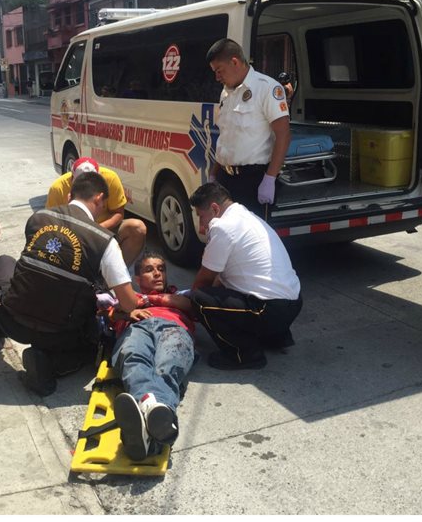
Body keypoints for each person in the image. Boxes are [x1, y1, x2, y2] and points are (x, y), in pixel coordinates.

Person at [0, 171, 139, 395]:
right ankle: (50, 364)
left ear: (70, 195)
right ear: (99, 198)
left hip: (14, 322)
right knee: (94, 336)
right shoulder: (104, 241)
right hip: (59, 333)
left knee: (4, 261)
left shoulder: (38, 218)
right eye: (102, 204)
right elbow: (129, 304)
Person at [188, 182, 302, 370]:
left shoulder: (223, 226)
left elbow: (204, 281)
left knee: (199, 299)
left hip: (270, 310)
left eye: (201, 217)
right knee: (225, 291)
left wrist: (185, 303)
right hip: (293, 302)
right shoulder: (246, 216)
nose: (201, 227)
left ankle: (244, 355)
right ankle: (277, 337)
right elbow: (221, 278)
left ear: (215, 209)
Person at [106, 252, 197, 461]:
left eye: (161, 269)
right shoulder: (127, 299)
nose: (157, 273)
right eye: (149, 270)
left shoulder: (179, 295)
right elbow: (110, 313)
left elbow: (189, 305)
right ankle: (158, 414)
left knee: (168, 365)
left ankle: (147, 419)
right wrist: (129, 312)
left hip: (174, 328)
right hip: (137, 328)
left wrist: (147, 300)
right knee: (133, 358)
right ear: (137, 280)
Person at [206, 38, 291, 218]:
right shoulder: (226, 92)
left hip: (252, 180)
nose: (217, 77)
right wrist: (214, 174)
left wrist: (270, 178)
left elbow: (283, 134)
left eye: (219, 71)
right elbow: (225, 136)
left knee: (250, 239)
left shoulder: (267, 88)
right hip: (224, 178)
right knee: (226, 235)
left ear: (235, 62)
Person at [45, 157, 147, 266]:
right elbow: (51, 223)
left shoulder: (111, 179)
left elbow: (118, 213)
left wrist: (93, 231)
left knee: (137, 228)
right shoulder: (57, 188)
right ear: (71, 179)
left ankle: (118, 271)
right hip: (70, 234)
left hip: (103, 228)